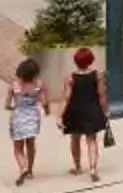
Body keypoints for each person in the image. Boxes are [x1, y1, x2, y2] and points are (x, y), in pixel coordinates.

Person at [60, 45, 109, 182]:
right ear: (91, 60)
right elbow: (101, 95)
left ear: (76, 61)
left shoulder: (70, 78)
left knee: (75, 139)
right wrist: (105, 111)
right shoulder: (97, 75)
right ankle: (92, 168)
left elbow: (66, 98)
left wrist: (60, 116)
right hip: (92, 110)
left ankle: (77, 167)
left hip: (75, 111)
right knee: (91, 140)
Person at [6, 58, 48, 184]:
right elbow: (44, 102)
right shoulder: (38, 86)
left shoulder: (14, 86)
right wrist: (46, 109)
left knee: (18, 148)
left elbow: (7, 105)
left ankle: (23, 167)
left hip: (18, 117)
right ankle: (30, 170)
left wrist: (14, 107)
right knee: (31, 144)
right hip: (33, 117)